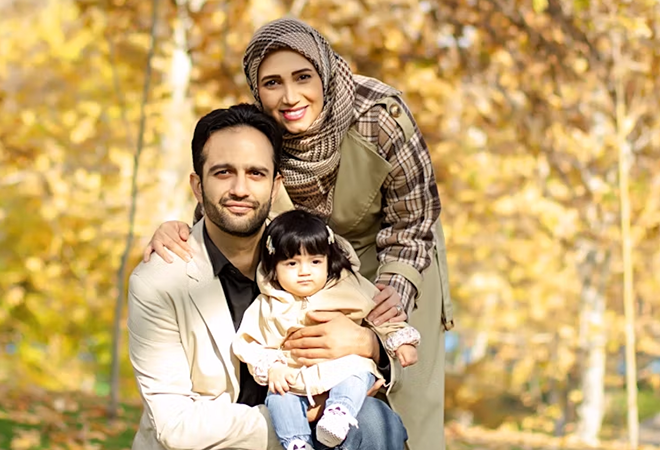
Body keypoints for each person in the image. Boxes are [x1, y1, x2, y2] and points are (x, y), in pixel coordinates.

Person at [143, 18, 454, 450]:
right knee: (306, 372)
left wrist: (379, 320)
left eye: (303, 77)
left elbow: (414, 219)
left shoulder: (381, 116)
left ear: (324, 72)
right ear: (257, 88)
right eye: (272, 83)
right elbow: (228, 204)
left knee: (398, 400)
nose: (290, 97)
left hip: (399, 251)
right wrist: (176, 230)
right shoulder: (261, 131)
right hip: (307, 255)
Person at [128, 103, 408, 450]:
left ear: (276, 186)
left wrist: (372, 346)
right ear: (198, 187)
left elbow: (383, 347)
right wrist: (297, 412)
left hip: (323, 430)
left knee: (376, 422)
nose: (241, 189)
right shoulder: (158, 282)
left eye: (256, 173)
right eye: (223, 173)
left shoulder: (323, 254)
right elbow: (177, 426)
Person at [232, 210, 421, 450]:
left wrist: (400, 340)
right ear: (273, 266)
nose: (304, 271)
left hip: (344, 368)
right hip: (295, 378)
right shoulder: (268, 304)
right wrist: (273, 367)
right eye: (292, 263)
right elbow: (249, 341)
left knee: (358, 372)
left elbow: (380, 315)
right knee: (279, 398)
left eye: (315, 261)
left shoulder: (349, 287)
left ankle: (339, 412)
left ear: (327, 260)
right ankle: (297, 442)